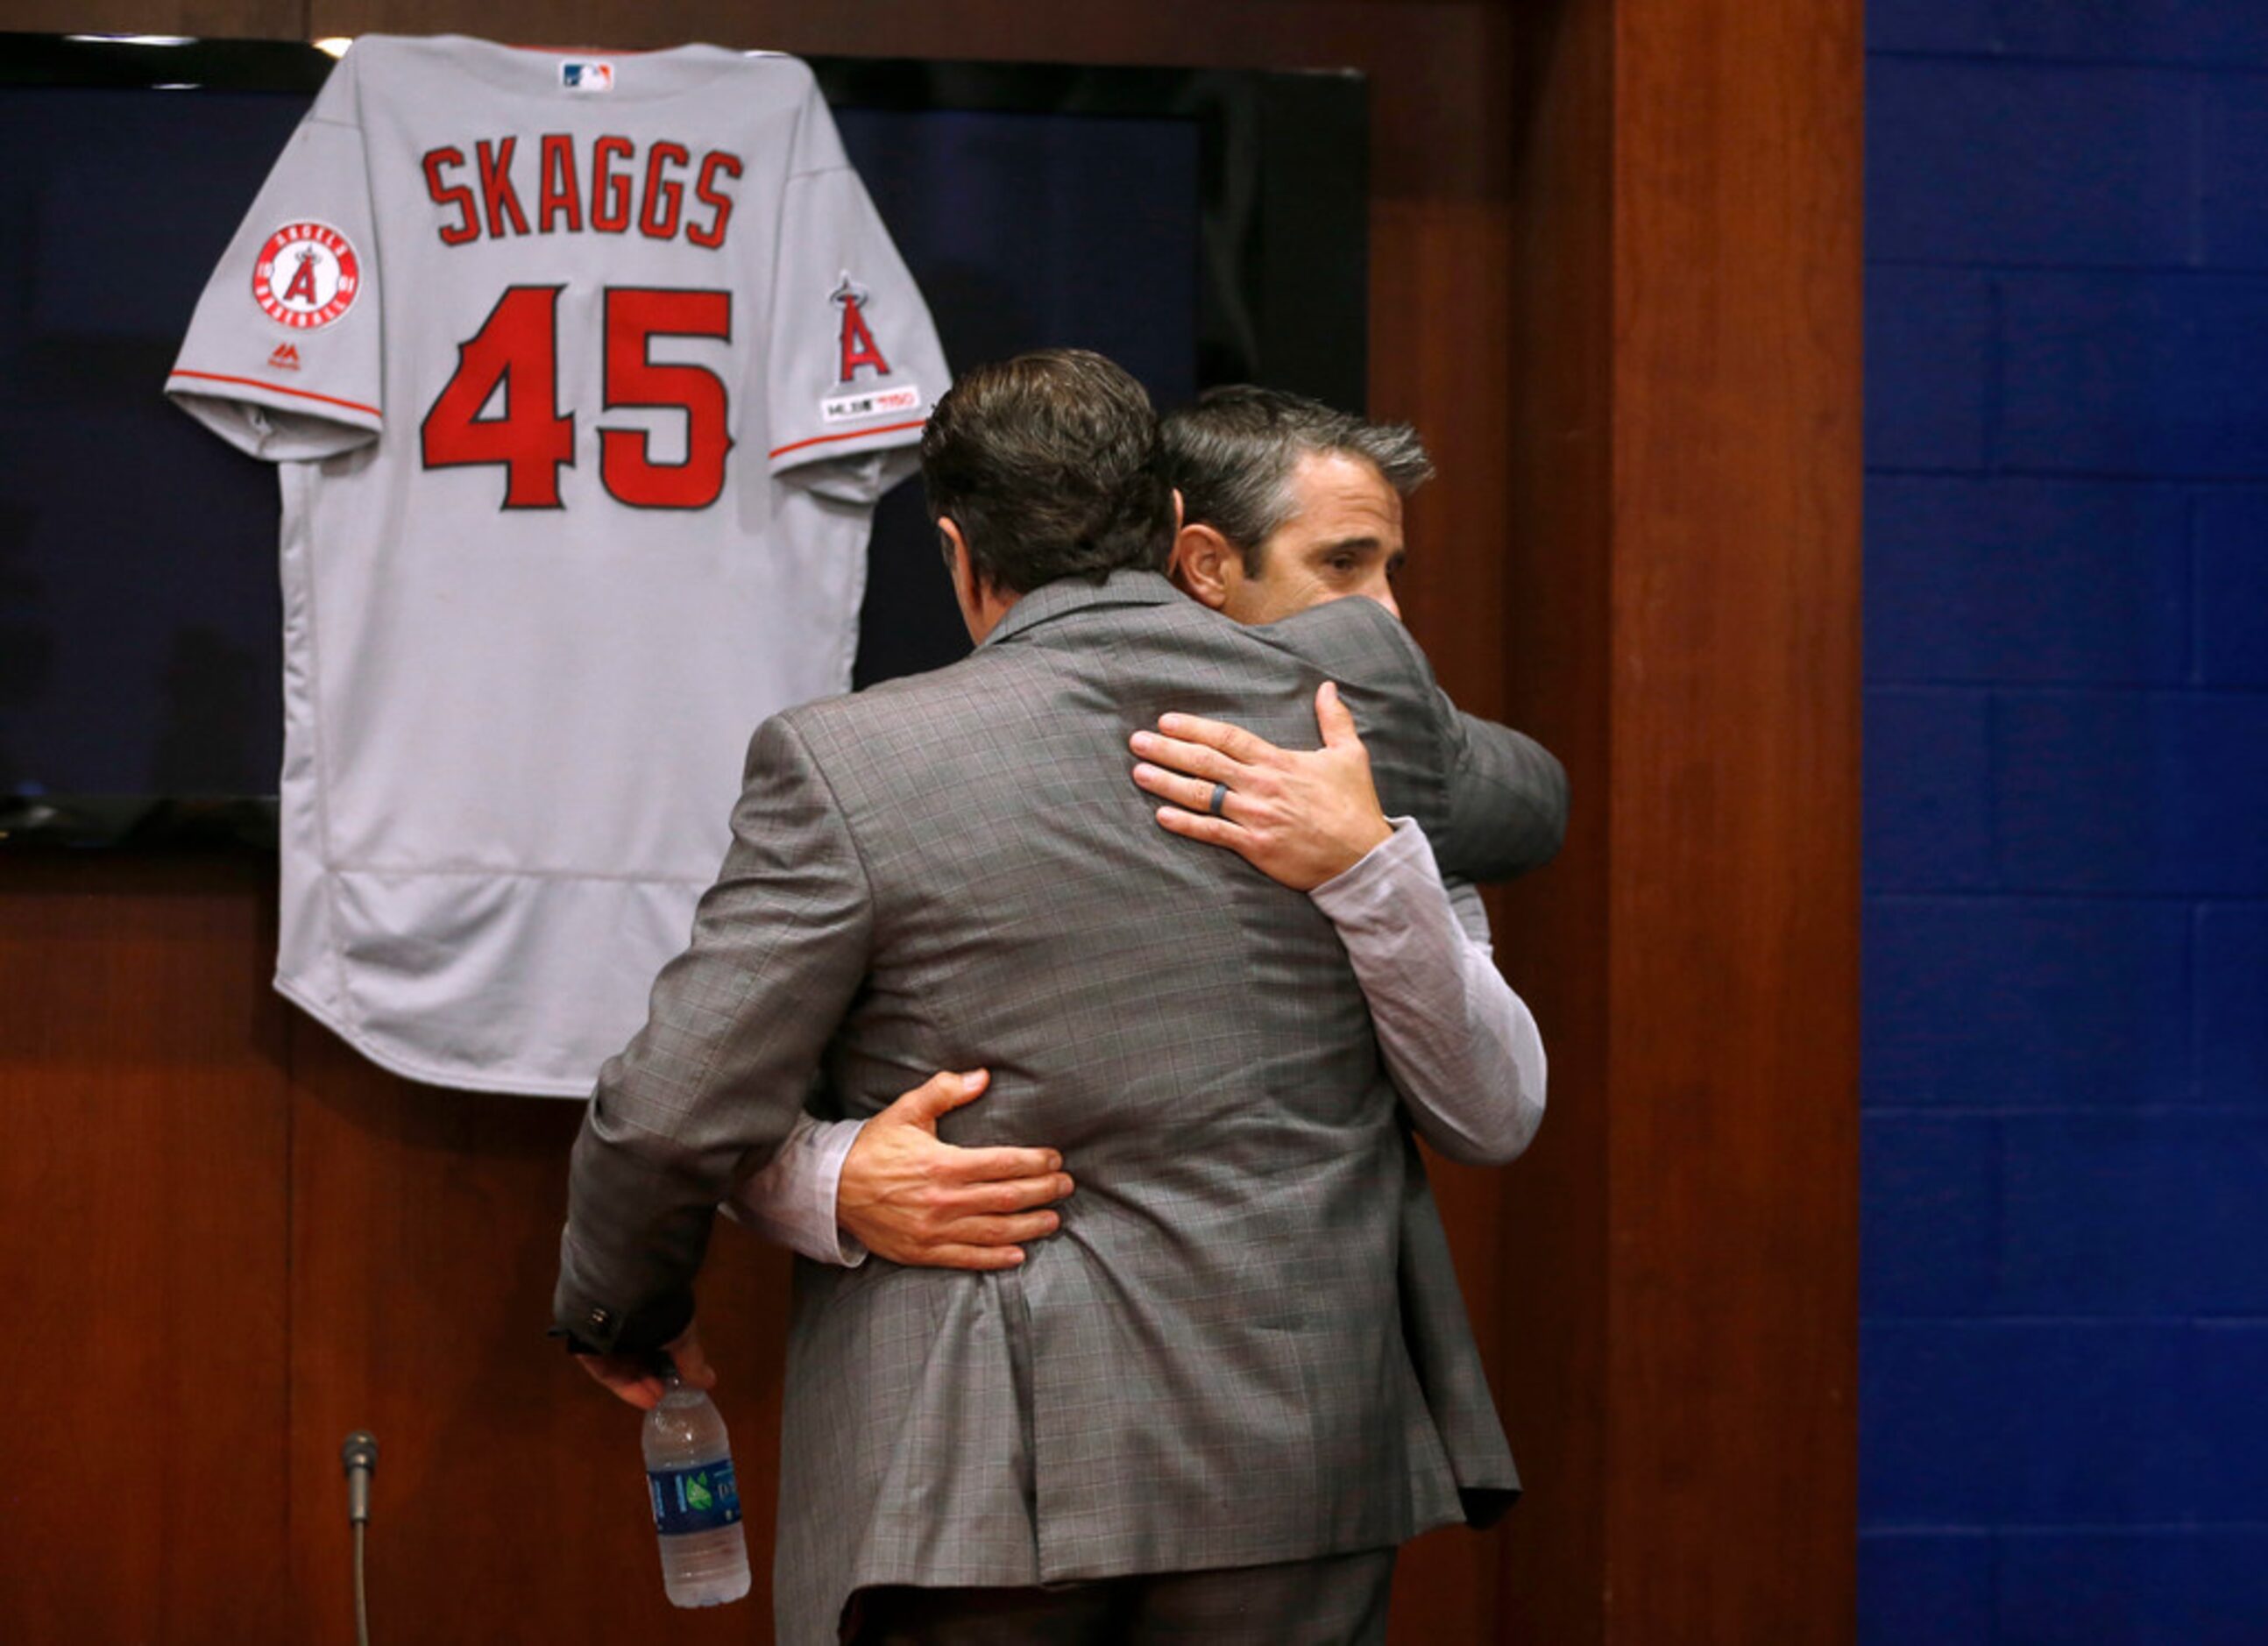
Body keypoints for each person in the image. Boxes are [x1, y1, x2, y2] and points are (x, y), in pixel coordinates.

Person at [555, 350, 1552, 1643]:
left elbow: (672, 1107)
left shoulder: (851, 761)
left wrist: (621, 1311)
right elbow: (1529, 796)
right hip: (1299, 1454)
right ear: (1176, 532)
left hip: (987, 1479)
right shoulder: (1339, 713)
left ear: (962, 556)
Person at [734, 387, 1559, 1281]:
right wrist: (827, 1178)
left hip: (1305, 1352)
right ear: (1199, 561)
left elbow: (1493, 1112)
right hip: (1006, 1353)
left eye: (1390, 570)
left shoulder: (1359, 782)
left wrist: (1367, 866)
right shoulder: (906, 770)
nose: (1387, 618)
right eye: (1343, 566)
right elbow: (716, 1082)